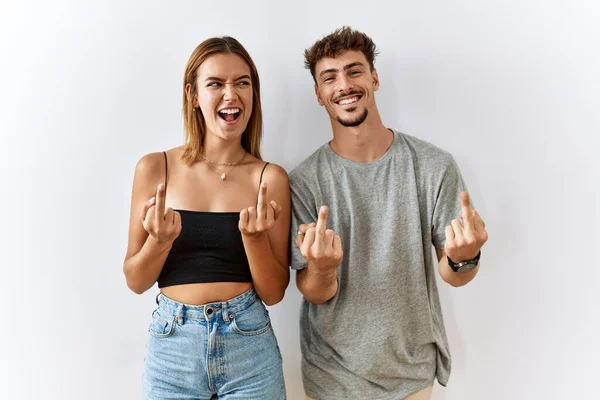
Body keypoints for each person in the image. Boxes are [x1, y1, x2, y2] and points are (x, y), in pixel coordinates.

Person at [290, 27, 488, 400]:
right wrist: (320, 268)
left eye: (354, 71)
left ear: (374, 78)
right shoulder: (304, 182)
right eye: (329, 77)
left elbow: (455, 275)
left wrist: (465, 258)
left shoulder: (434, 165)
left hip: (410, 374)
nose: (344, 85)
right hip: (331, 374)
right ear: (319, 94)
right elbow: (315, 292)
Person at [123, 36, 290, 399]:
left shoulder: (270, 179)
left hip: (249, 348)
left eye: (242, 83)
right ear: (193, 95)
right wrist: (160, 241)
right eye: (216, 83)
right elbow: (135, 280)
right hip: (173, 351)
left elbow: (275, 292)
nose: (231, 95)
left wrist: (254, 239)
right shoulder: (155, 168)